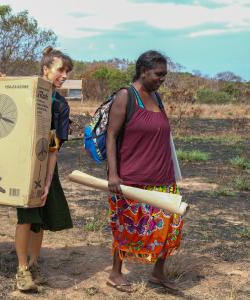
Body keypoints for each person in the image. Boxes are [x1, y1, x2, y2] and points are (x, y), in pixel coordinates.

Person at [105, 50, 183, 292]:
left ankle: (158, 273)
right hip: (132, 179)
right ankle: (115, 274)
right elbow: (111, 135)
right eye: (158, 74)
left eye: (165, 75)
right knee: (127, 227)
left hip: (163, 176)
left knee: (168, 228)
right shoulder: (126, 97)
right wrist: (113, 174)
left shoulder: (157, 98)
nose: (162, 79)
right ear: (143, 71)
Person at [13, 47, 74, 291]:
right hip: (21, 165)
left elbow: (53, 146)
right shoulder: (25, 91)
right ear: (45, 69)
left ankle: (34, 263)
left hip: (45, 167)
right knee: (26, 217)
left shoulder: (60, 105)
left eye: (67, 71)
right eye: (61, 69)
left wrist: (48, 181)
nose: (65, 75)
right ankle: (21, 269)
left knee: (39, 220)